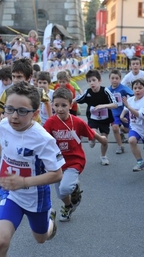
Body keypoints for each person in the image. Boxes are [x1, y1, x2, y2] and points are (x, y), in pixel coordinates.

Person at [0, 82, 64, 256]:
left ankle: (49, 221)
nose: (14, 116)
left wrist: (23, 182)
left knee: (41, 238)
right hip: (10, 193)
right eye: (9, 109)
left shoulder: (43, 139)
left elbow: (57, 174)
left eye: (22, 111)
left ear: (35, 114)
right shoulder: (5, 124)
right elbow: (4, 145)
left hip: (35, 197)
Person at [44, 87, 107, 222]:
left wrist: (101, 139)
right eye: (56, 105)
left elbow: (90, 131)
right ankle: (69, 206)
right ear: (52, 105)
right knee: (61, 193)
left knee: (66, 187)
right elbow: (41, 138)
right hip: (57, 162)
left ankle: (75, 187)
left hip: (74, 161)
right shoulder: (50, 122)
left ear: (71, 105)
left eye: (63, 105)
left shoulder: (76, 122)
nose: (60, 109)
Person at [76, 69, 117, 165]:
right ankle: (92, 138)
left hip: (105, 119)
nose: (92, 83)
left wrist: (103, 106)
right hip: (93, 118)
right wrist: (68, 101)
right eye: (89, 81)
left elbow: (115, 104)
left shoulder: (105, 91)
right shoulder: (88, 92)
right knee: (93, 132)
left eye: (94, 80)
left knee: (104, 140)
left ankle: (103, 156)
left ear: (99, 80)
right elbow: (78, 99)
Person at [120, 79, 144, 174]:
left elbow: (141, 115)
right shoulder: (130, 99)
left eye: (140, 88)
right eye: (135, 88)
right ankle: (140, 162)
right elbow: (125, 109)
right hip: (134, 126)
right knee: (131, 140)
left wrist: (129, 107)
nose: (137, 90)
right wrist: (122, 116)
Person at [107, 69, 133, 154]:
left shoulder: (123, 88)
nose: (114, 80)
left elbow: (133, 94)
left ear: (120, 79)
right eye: (112, 78)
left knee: (127, 130)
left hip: (124, 112)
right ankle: (120, 146)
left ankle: (121, 130)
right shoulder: (107, 90)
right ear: (109, 79)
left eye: (116, 78)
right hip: (114, 113)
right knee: (114, 128)